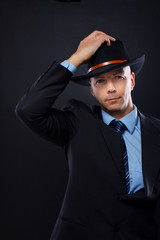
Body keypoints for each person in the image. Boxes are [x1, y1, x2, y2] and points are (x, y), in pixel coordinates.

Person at [15, 30, 160, 240]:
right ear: (91, 89)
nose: (110, 88)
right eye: (100, 81)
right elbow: (28, 110)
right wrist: (76, 59)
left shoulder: (156, 132)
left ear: (132, 80)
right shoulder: (77, 121)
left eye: (118, 77)